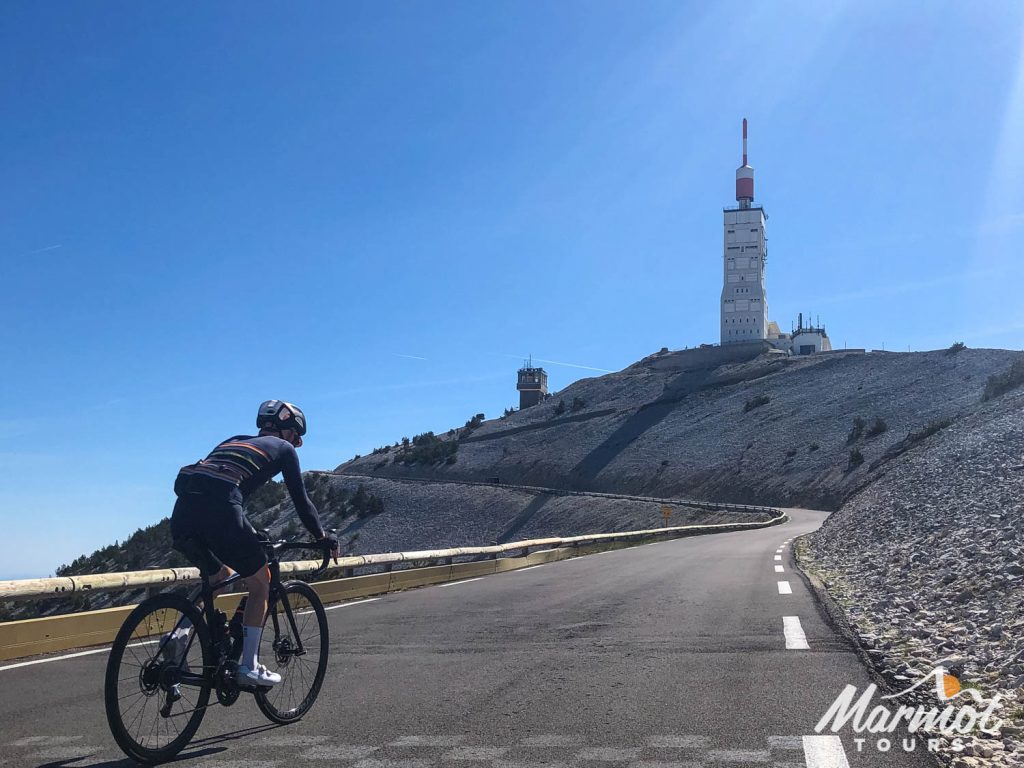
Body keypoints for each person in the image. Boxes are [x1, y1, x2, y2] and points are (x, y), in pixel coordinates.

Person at [169, 399, 339, 687]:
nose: (296, 444)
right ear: (287, 431)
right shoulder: (283, 450)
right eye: (297, 438)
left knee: (218, 575)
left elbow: (220, 489)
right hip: (222, 511)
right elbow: (301, 500)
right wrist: (322, 536)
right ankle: (249, 666)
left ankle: (177, 636)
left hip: (182, 514)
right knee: (261, 582)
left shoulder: (234, 440)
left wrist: (248, 528)